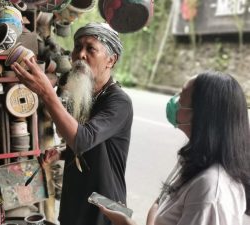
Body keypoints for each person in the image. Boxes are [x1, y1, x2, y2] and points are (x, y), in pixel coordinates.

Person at [11, 22, 133, 225]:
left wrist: (46, 93)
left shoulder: (119, 101)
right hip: (75, 204)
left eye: (90, 49)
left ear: (111, 60)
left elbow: (83, 140)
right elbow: (89, 147)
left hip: (105, 212)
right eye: (78, 47)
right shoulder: (83, 95)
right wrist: (61, 153)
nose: (80, 55)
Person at [98, 71, 250, 225]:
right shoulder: (197, 161)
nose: (174, 101)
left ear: (199, 113)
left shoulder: (211, 189)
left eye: (182, 95)